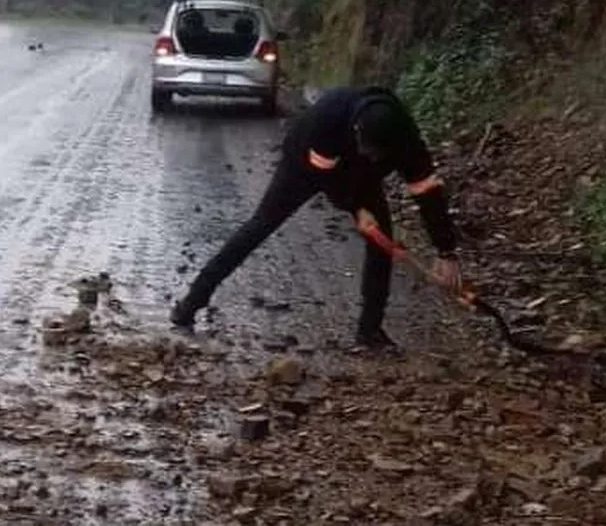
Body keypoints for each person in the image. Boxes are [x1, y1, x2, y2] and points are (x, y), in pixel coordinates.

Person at [169, 85, 462, 348]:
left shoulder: (405, 137)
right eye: (367, 149)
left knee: (381, 243)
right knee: (260, 226)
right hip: (304, 164)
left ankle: (370, 332)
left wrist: (445, 248)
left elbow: (426, 191)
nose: (371, 154)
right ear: (357, 129)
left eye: (377, 154)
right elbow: (325, 178)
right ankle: (194, 300)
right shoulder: (329, 118)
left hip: (360, 177)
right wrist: (356, 208)